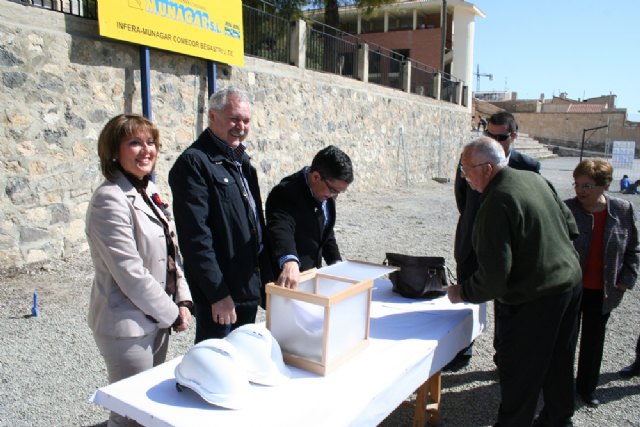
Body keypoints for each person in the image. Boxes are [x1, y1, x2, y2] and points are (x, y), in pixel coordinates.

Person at [448, 137, 582, 427]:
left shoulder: (496, 201)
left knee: (521, 372)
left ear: (486, 168)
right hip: (569, 286)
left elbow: (494, 279)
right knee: (560, 362)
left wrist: (463, 292)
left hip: (536, 299)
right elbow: (571, 227)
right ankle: (558, 420)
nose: (463, 176)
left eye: (465, 169)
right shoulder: (535, 180)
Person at [86, 114, 192, 427]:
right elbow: (131, 273)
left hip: (156, 319)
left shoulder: (148, 189)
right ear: (114, 151)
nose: (146, 150)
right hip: (127, 327)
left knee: (148, 406)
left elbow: (172, 252)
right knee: (129, 412)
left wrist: (183, 300)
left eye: (150, 142)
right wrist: (172, 312)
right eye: (134, 142)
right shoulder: (110, 199)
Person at [169, 86, 272, 344]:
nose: (241, 126)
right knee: (216, 365)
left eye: (246, 120)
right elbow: (195, 238)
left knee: (242, 358)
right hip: (223, 296)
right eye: (234, 118)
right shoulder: (194, 164)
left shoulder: (241, 161)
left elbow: (254, 221)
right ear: (213, 117)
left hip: (247, 287)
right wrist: (217, 294)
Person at [449, 111, 541, 370]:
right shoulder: (472, 157)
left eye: (499, 136)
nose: (493, 140)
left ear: (513, 136)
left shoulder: (529, 167)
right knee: (468, 295)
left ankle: (503, 354)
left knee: (504, 300)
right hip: (471, 240)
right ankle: (462, 348)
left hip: (507, 247)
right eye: (489, 134)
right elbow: (463, 199)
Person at [564, 159, 640, 406]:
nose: (580, 190)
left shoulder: (622, 209)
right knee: (565, 340)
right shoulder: (566, 209)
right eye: (577, 184)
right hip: (571, 289)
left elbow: (633, 249)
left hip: (604, 290)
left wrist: (627, 279)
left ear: (603, 185)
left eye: (587, 185)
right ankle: (559, 388)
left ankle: (587, 389)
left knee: (593, 342)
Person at [265, 145, 353, 289]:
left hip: (310, 278)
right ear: (315, 177)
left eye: (339, 192)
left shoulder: (325, 192)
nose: (334, 197)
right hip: (287, 282)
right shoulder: (285, 192)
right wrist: (289, 260)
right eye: (333, 191)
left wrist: (336, 263)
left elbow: (325, 232)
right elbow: (280, 228)